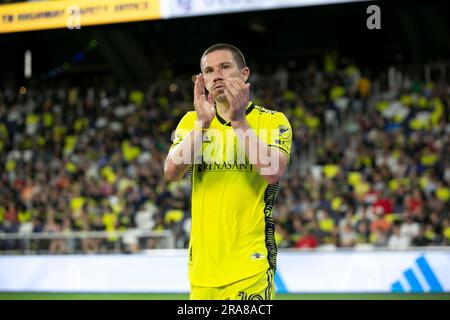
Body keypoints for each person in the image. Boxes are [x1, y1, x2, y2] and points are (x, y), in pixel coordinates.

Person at [164, 43, 292, 300]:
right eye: (209, 71)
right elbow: (172, 171)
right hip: (202, 270)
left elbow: (272, 172)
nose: (217, 75)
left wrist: (238, 120)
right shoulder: (191, 122)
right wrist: (202, 124)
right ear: (203, 80)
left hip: (250, 265)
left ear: (244, 74)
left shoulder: (272, 120)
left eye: (225, 67)